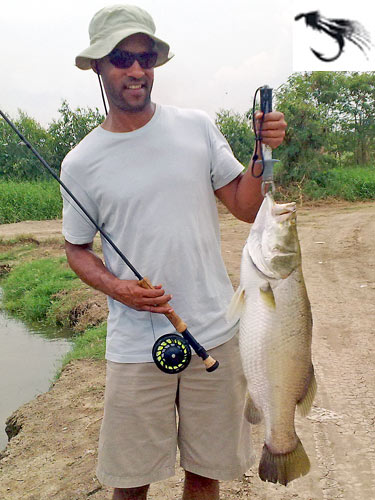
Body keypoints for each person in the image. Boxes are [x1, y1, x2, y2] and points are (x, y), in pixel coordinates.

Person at [61, 5, 287, 500]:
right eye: (121, 58)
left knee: (206, 474)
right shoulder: (80, 162)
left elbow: (247, 208)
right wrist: (117, 288)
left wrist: (261, 150)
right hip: (135, 347)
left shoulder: (196, 128)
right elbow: (76, 250)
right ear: (98, 65)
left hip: (216, 331)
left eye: (145, 57)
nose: (137, 70)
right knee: (129, 481)